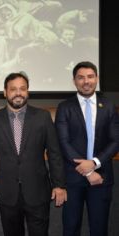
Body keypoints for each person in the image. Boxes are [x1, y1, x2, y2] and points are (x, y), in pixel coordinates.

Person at [0, 72, 67, 236]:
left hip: (38, 191)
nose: (18, 93)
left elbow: (55, 153)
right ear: (5, 92)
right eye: (13, 89)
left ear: (28, 91)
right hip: (6, 192)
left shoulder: (42, 117)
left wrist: (59, 185)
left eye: (22, 89)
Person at [55, 61, 119, 236]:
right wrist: (89, 172)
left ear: (97, 79)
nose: (86, 81)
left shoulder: (109, 106)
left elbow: (115, 141)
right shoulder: (64, 107)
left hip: (101, 178)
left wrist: (95, 163)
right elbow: (64, 142)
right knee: (71, 228)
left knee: (99, 229)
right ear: (74, 81)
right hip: (73, 179)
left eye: (90, 76)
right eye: (81, 77)